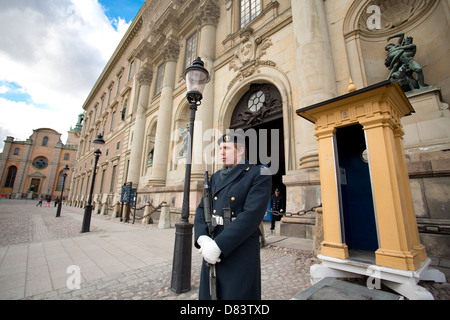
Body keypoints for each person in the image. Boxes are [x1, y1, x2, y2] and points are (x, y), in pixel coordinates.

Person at [194, 132, 272, 300]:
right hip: (211, 245)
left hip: (239, 250)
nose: (221, 152)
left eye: (227, 148)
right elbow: (201, 209)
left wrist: (219, 246)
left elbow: (251, 215)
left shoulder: (259, 173)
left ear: (241, 150)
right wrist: (202, 238)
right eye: (220, 148)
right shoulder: (215, 177)